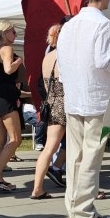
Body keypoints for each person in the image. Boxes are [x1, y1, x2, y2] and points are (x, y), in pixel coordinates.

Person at [58, 0, 110, 218]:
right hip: (96, 98)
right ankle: (84, 211)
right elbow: (104, 61)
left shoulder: (69, 25)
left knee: (75, 155)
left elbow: (62, 62)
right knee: (91, 157)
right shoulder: (103, 24)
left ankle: (74, 206)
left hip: (74, 97)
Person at [30, 24, 67, 199]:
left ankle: (37, 188)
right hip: (67, 103)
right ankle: (83, 189)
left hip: (52, 103)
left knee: (48, 148)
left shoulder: (48, 57)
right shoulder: (66, 56)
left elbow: (45, 85)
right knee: (77, 148)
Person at [0, 20, 23, 192]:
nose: (15, 35)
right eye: (13, 32)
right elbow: (8, 70)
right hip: (5, 96)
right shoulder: (7, 49)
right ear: (5, 33)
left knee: (0, 141)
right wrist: (19, 61)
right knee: (15, 139)